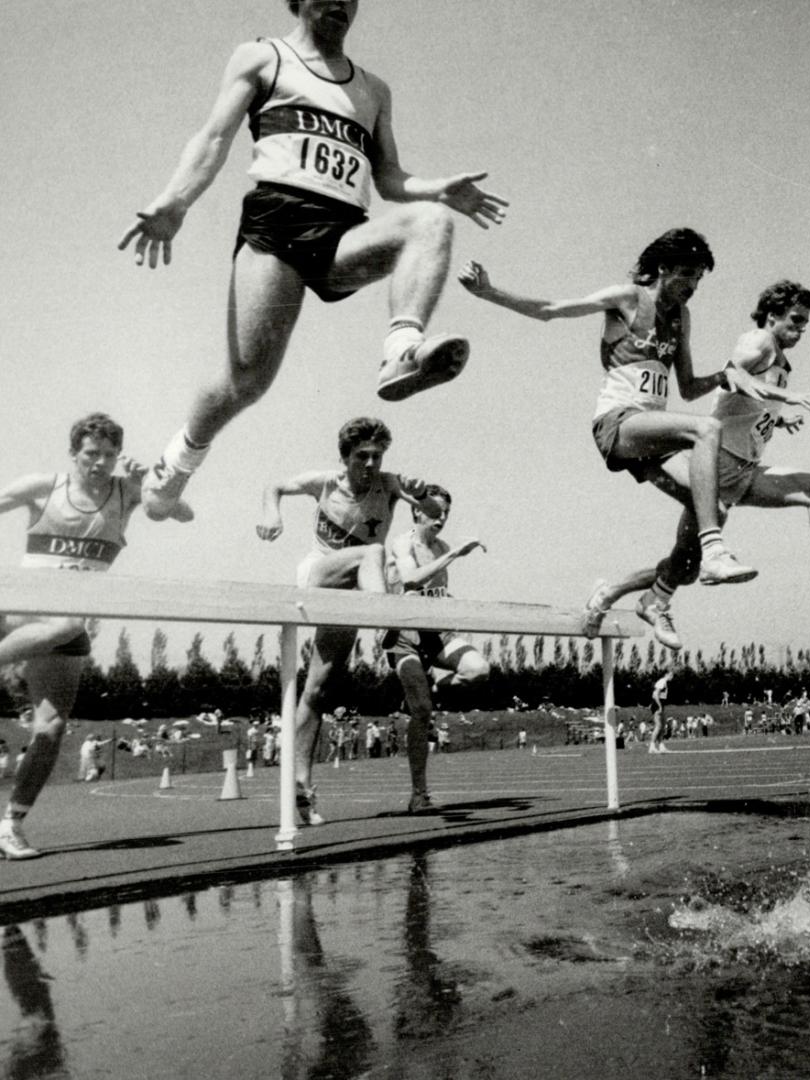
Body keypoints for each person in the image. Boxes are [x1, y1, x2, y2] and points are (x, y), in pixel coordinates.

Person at [120, 0, 507, 522]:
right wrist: (175, 201)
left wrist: (438, 189)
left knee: (432, 220)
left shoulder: (374, 91)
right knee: (248, 381)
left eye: (351, 0)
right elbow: (214, 137)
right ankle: (174, 467)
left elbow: (389, 178)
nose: (341, 7)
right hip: (277, 223)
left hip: (343, 231)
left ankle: (402, 349)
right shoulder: (263, 58)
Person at [459, 229, 755, 650]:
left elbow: (687, 387)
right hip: (618, 423)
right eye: (686, 275)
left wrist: (725, 376)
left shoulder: (682, 318)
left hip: (655, 432)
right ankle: (715, 549)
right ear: (663, 268)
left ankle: (644, 594)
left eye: (699, 280)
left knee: (713, 508)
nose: (691, 287)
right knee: (706, 429)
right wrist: (488, 291)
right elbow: (551, 310)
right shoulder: (628, 297)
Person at [580, 281, 810, 645]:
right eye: (795, 320)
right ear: (772, 314)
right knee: (684, 566)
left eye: (806, 323)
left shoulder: (777, 355)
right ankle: (621, 594)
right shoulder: (758, 340)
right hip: (716, 469)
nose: (801, 330)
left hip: (744, 470)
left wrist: (777, 418)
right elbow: (733, 376)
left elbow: (744, 403)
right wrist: (787, 396)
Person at [259, 417, 442, 824]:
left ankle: (300, 790)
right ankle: (386, 621)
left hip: (352, 594)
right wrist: (273, 515)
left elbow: (433, 512)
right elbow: (275, 486)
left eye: (378, 456)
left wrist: (421, 495)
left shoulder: (390, 484)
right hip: (317, 575)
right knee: (374, 553)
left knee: (318, 690)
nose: (371, 463)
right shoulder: (325, 482)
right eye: (362, 456)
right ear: (345, 458)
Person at [0, 414, 164, 858]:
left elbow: (175, 511)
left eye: (109, 455)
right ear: (74, 454)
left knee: (51, 728)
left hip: (65, 626)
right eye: (91, 454)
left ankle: (10, 824)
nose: (100, 463)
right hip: (21, 609)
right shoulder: (44, 486)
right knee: (69, 621)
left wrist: (148, 483)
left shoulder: (125, 492)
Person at [382, 485, 489, 812]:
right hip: (404, 636)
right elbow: (412, 579)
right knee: (422, 711)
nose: (441, 518)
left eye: (446, 513)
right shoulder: (404, 543)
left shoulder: (441, 546)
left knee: (479, 670)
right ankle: (419, 794)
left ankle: (431, 688)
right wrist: (454, 554)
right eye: (435, 511)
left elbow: (437, 595)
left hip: (437, 633)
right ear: (417, 511)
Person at [649, 670, 673, 753]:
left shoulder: (665, 683)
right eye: (671, 675)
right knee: (658, 726)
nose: (672, 677)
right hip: (657, 705)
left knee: (662, 727)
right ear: (666, 674)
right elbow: (655, 695)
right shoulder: (662, 682)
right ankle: (652, 747)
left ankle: (661, 746)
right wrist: (659, 706)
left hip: (661, 705)